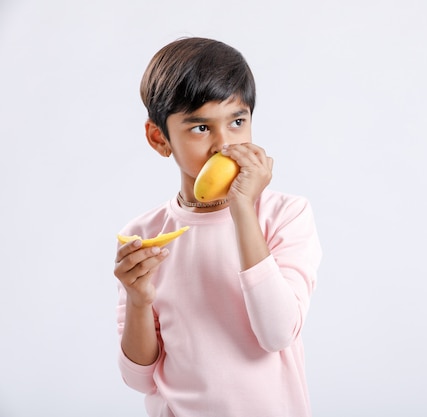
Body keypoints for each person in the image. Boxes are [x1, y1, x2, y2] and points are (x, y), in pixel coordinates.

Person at [113, 37, 322, 417]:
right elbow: (139, 379)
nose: (223, 145)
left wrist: (242, 208)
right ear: (159, 139)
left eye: (237, 122)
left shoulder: (286, 215)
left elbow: (277, 333)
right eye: (200, 128)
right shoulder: (145, 234)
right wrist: (139, 300)